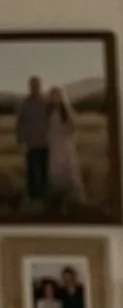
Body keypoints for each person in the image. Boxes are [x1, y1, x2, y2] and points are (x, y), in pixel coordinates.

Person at [16, 77, 50, 211]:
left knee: (44, 171)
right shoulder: (24, 104)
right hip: (31, 144)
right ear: (29, 86)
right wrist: (20, 140)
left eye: (37, 85)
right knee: (31, 171)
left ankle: (44, 197)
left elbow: (52, 120)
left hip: (46, 143)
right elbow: (20, 123)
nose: (34, 87)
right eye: (32, 85)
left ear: (40, 86)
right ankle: (32, 196)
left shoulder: (46, 102)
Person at [45, 89, 83, 207]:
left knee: (68, 167)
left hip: (65, 144)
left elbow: (72, 128)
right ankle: (57, 197)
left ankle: (71, 197)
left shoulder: (66, 112)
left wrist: (64, 134)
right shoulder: (48, 111)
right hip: (53, 144)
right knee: (55, 168)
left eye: (57, 96)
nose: (55, 99)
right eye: (53, 96)